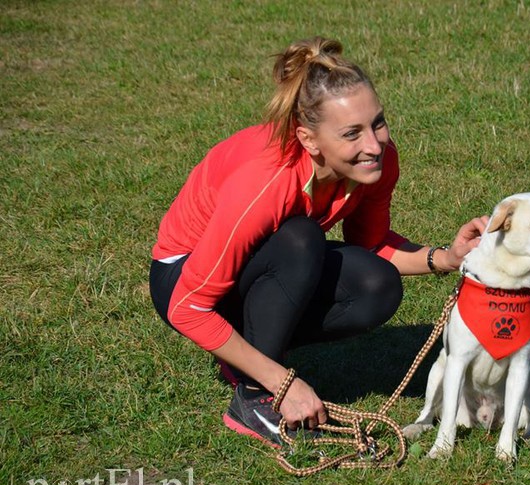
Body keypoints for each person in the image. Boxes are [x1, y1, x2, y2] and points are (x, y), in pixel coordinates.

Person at [149, 36, 487, 447]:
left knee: (376, 286)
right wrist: (283, 382)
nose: (373, 144)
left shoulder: (377, 160)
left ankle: (246, 358)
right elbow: (188, 307)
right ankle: (255, 398)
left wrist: (449, 258)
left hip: (253, 266)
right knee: (299, 239)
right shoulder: (266, 179)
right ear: (309, 140)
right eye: (352, 133)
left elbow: (372, 244)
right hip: (183, 279)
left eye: (377, 122)